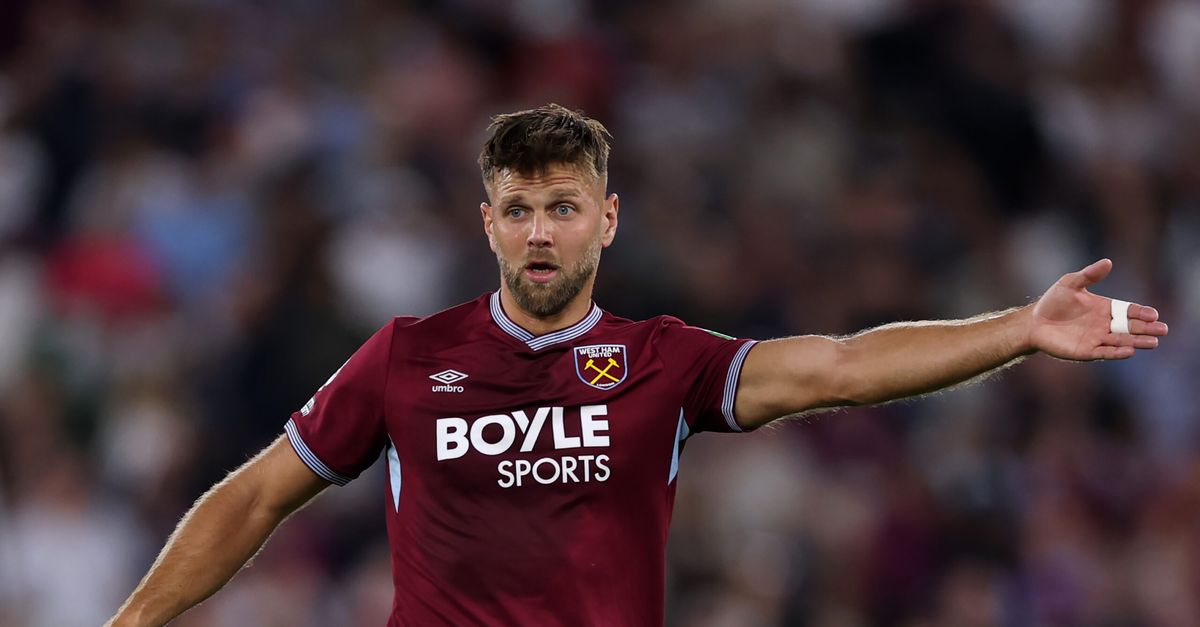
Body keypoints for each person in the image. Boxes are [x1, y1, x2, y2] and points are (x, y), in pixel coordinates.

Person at [106, 104, 1169, 627]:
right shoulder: (407, 357)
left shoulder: (663, 361)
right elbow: (254, 496)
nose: (540, 232)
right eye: (519, 209)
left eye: (563, 208)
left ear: (606, 220)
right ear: (488, 223)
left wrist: (1018, 327)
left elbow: (842, 366)